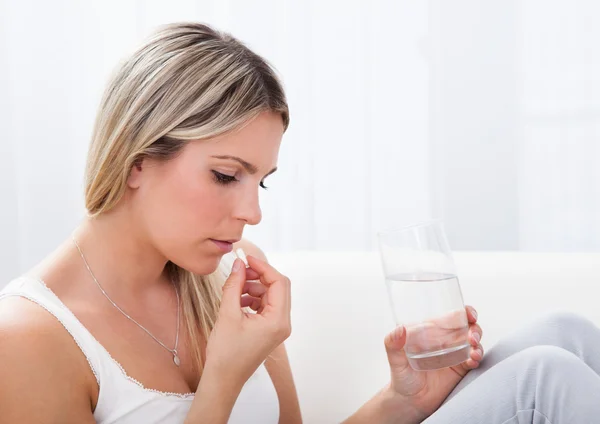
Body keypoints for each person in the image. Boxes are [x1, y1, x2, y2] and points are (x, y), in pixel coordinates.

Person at [0, 21, 599, 424]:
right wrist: (224, 379)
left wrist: (402, 398)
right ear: (136, 161)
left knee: (565, 332)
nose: (252, 212)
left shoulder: (218, 284)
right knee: (544, 377)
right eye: (225, 174)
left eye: (260, 180)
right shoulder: (27, 340)